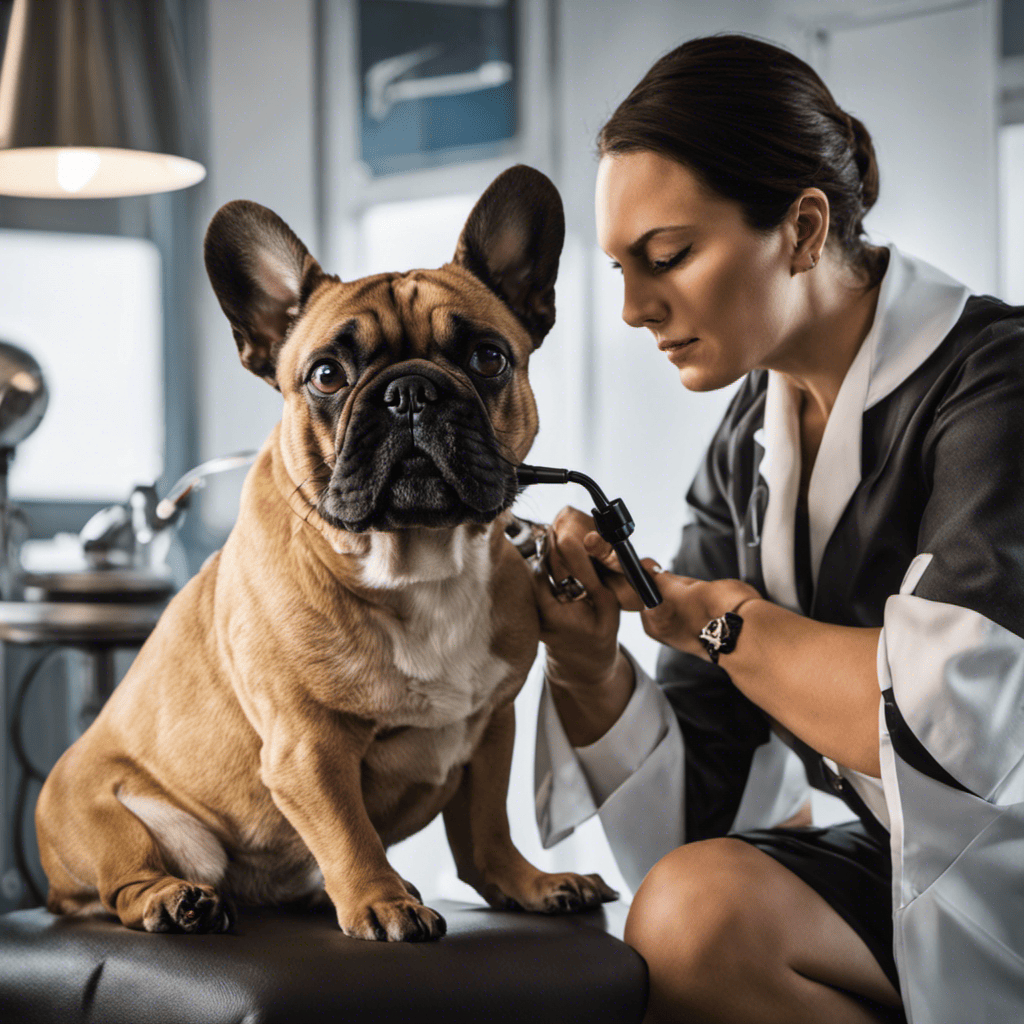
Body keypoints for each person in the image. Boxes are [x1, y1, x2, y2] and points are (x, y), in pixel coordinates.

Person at [532, 33, 1024, 1024]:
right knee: (689, 913)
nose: (632, 308)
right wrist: (593, 665)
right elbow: (694, 812)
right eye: (621, 267)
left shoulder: (996, 384)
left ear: (802, 228)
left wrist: (721, 621)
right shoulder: (747, 442)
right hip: (908, 866)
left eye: (665, 256)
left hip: (1002, 860)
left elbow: (953, 733)